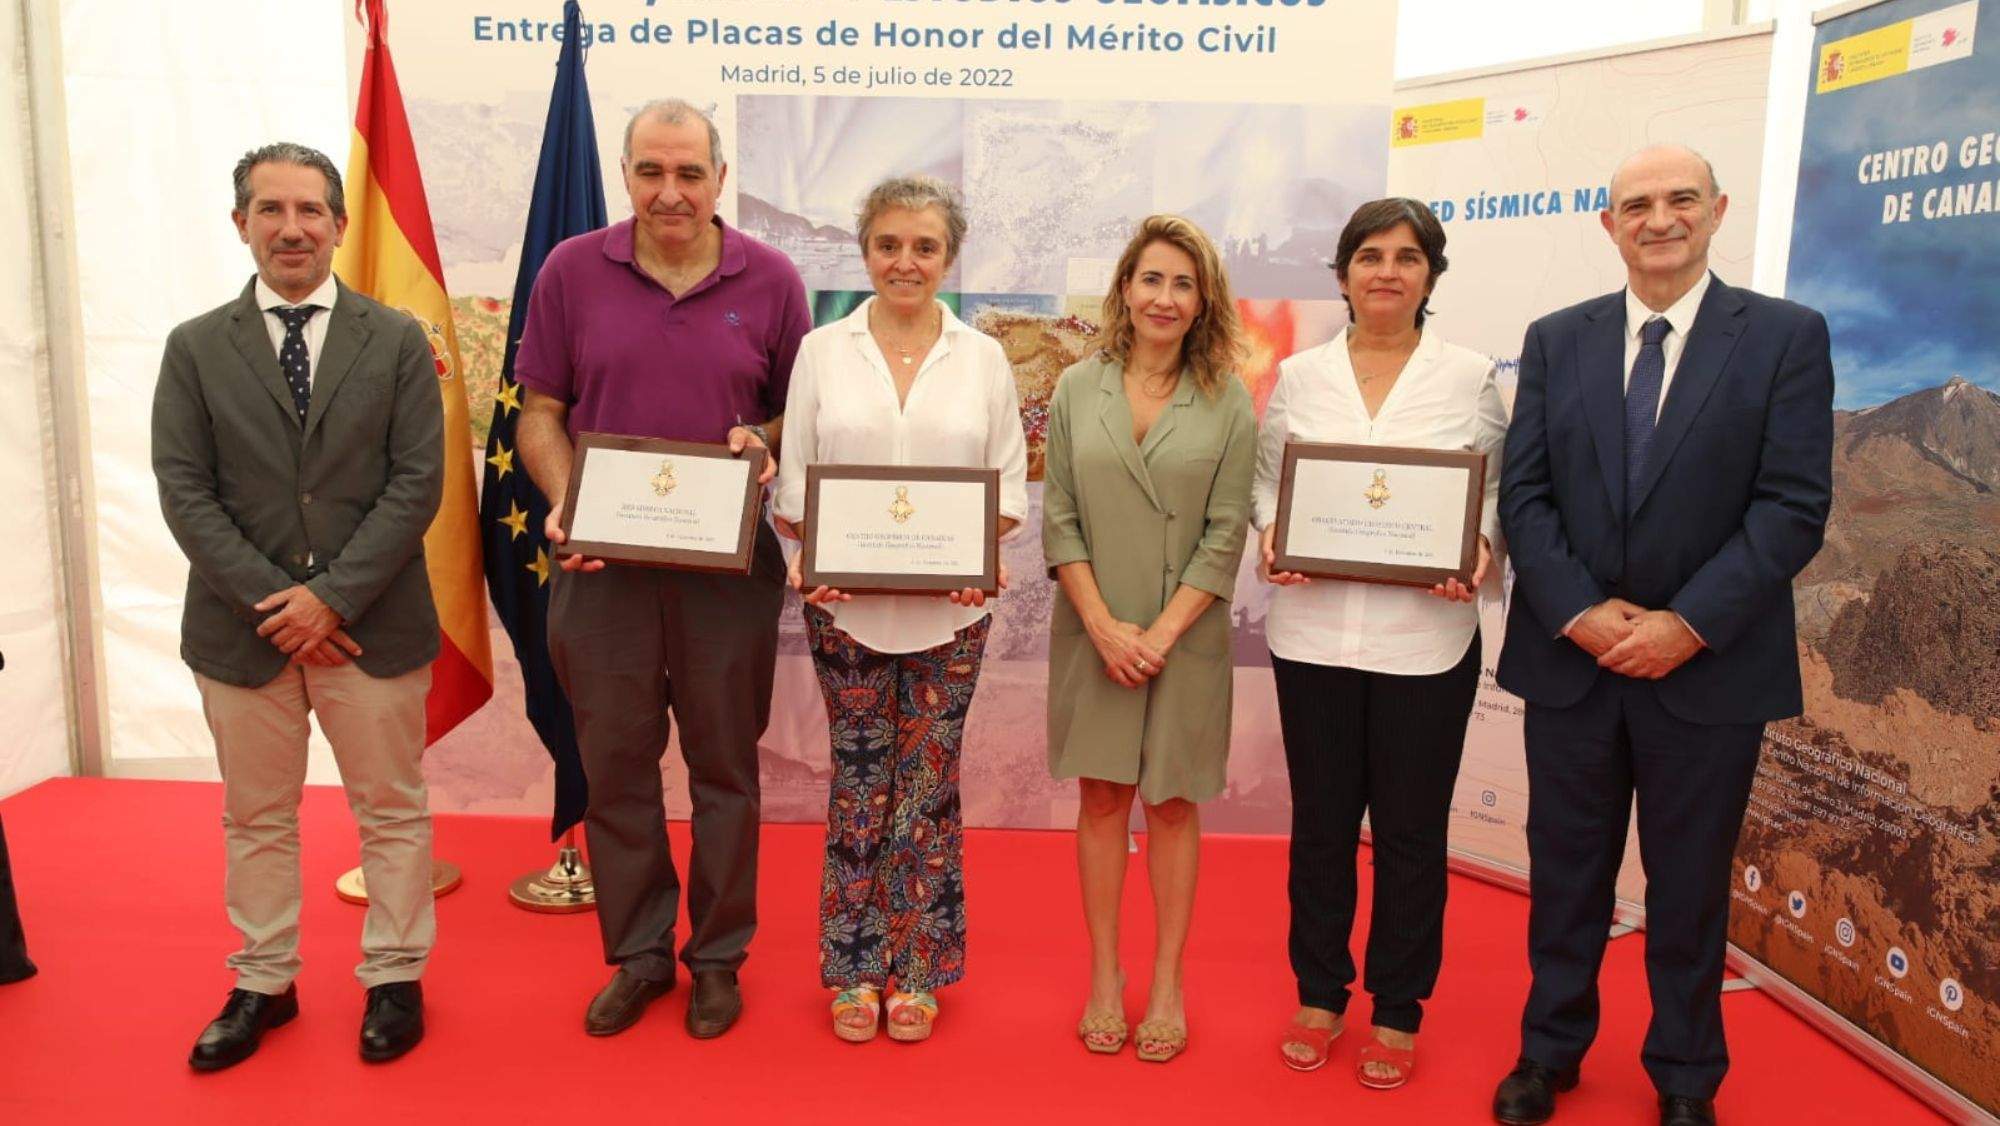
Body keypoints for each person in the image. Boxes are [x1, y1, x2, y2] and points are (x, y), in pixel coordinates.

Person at [1492, 145, 1832, 1126]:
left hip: (1708, 669)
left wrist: (1685, 624)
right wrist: (1580, 612)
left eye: (1679, 198)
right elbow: (1524, 493)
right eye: (1633, 203)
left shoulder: (1782, 337)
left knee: (1686, 888)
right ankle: (1546, 1052)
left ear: (1716, 210)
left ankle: (1685, 1076)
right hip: (1573, 664)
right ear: (1607, 226)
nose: (1657, 217)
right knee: (1564, 876)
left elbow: (1791, 505)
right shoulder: (1556, 341)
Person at [515, 98, 810, 1040]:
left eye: (689, 173)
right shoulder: (571, 269)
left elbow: (788, 419)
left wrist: (759, 442)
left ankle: (718, 958)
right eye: (651, 172)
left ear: (720, 179)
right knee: (617, 771)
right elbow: (539, 412)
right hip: (601, 565)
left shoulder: (769, 278)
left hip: (728, 573)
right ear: (627, 175)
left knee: (726, 771)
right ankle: (640, 955)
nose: (670, 192)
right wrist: (563, 500)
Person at [151, 142, 444, 1069]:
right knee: (256, 817)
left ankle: (395, 975)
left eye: (310, 210)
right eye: (270, 210)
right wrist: (276, 605)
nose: (291, 228)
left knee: (391, 810)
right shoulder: (194, 347)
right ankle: (263, 981)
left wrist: (330, 599)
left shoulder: (395, 339)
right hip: (241, 635)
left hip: (372, 629)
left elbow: (417, 484)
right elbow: (183, 487)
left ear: (340, 226)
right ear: (240, 223)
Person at [1254, 198, 1506, 1088]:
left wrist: (1477, 548)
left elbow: (1496, 492)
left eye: (1406, 257)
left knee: (1409, 833)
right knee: (1321, 828)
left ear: (1430, 274)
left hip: (1424, 640)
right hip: (1314, 633)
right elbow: (1265, 481)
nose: (1386, 272)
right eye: (1369, 256)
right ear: (1343, 273)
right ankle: (1320, 989)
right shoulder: (1298, 375)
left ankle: (1399, 1006)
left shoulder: (1471, 375)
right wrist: (1268, 533)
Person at [773, 175, 1029, 1043]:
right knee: (856, 782)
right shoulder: (822, 350)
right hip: (842, 609)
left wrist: (976, 562)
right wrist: (811, 559)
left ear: (948, 254)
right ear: (865, 250)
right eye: (889, 244)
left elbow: (1006, 486)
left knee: (927, 786)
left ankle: (917, 965)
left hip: (951, 617)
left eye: (923, 246)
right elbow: (797, 483)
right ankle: (851, 970)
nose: (905, 261)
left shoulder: (984, 358)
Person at [1043, 214, 1256, 1063]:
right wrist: (1103, 627)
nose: (1165, 298)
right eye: (1152, 279)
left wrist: (1157, 637)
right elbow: (1058, 519)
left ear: (1203, 301)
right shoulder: (1073, 388)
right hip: (1094, 629)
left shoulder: (1228, 395)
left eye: (1183, 283)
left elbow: (1227, 532)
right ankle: (1106, 977)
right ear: (1125, 289)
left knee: (1170, 803)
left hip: (1185, 636)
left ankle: (1167, 981)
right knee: (1101, 800)